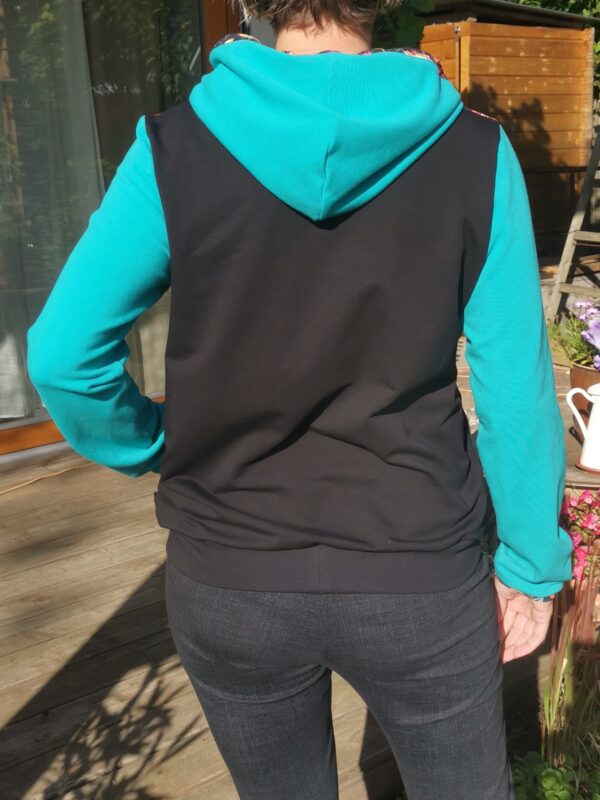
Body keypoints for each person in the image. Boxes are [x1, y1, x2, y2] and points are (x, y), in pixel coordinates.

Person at [26, 0, 574, 797]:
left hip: (231, 573)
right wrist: (529, 565)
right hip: (418, 572)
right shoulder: (475, 151)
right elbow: (515, 388)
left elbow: (63, 359)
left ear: (255, 4)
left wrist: (152, 443)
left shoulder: (175, 147)